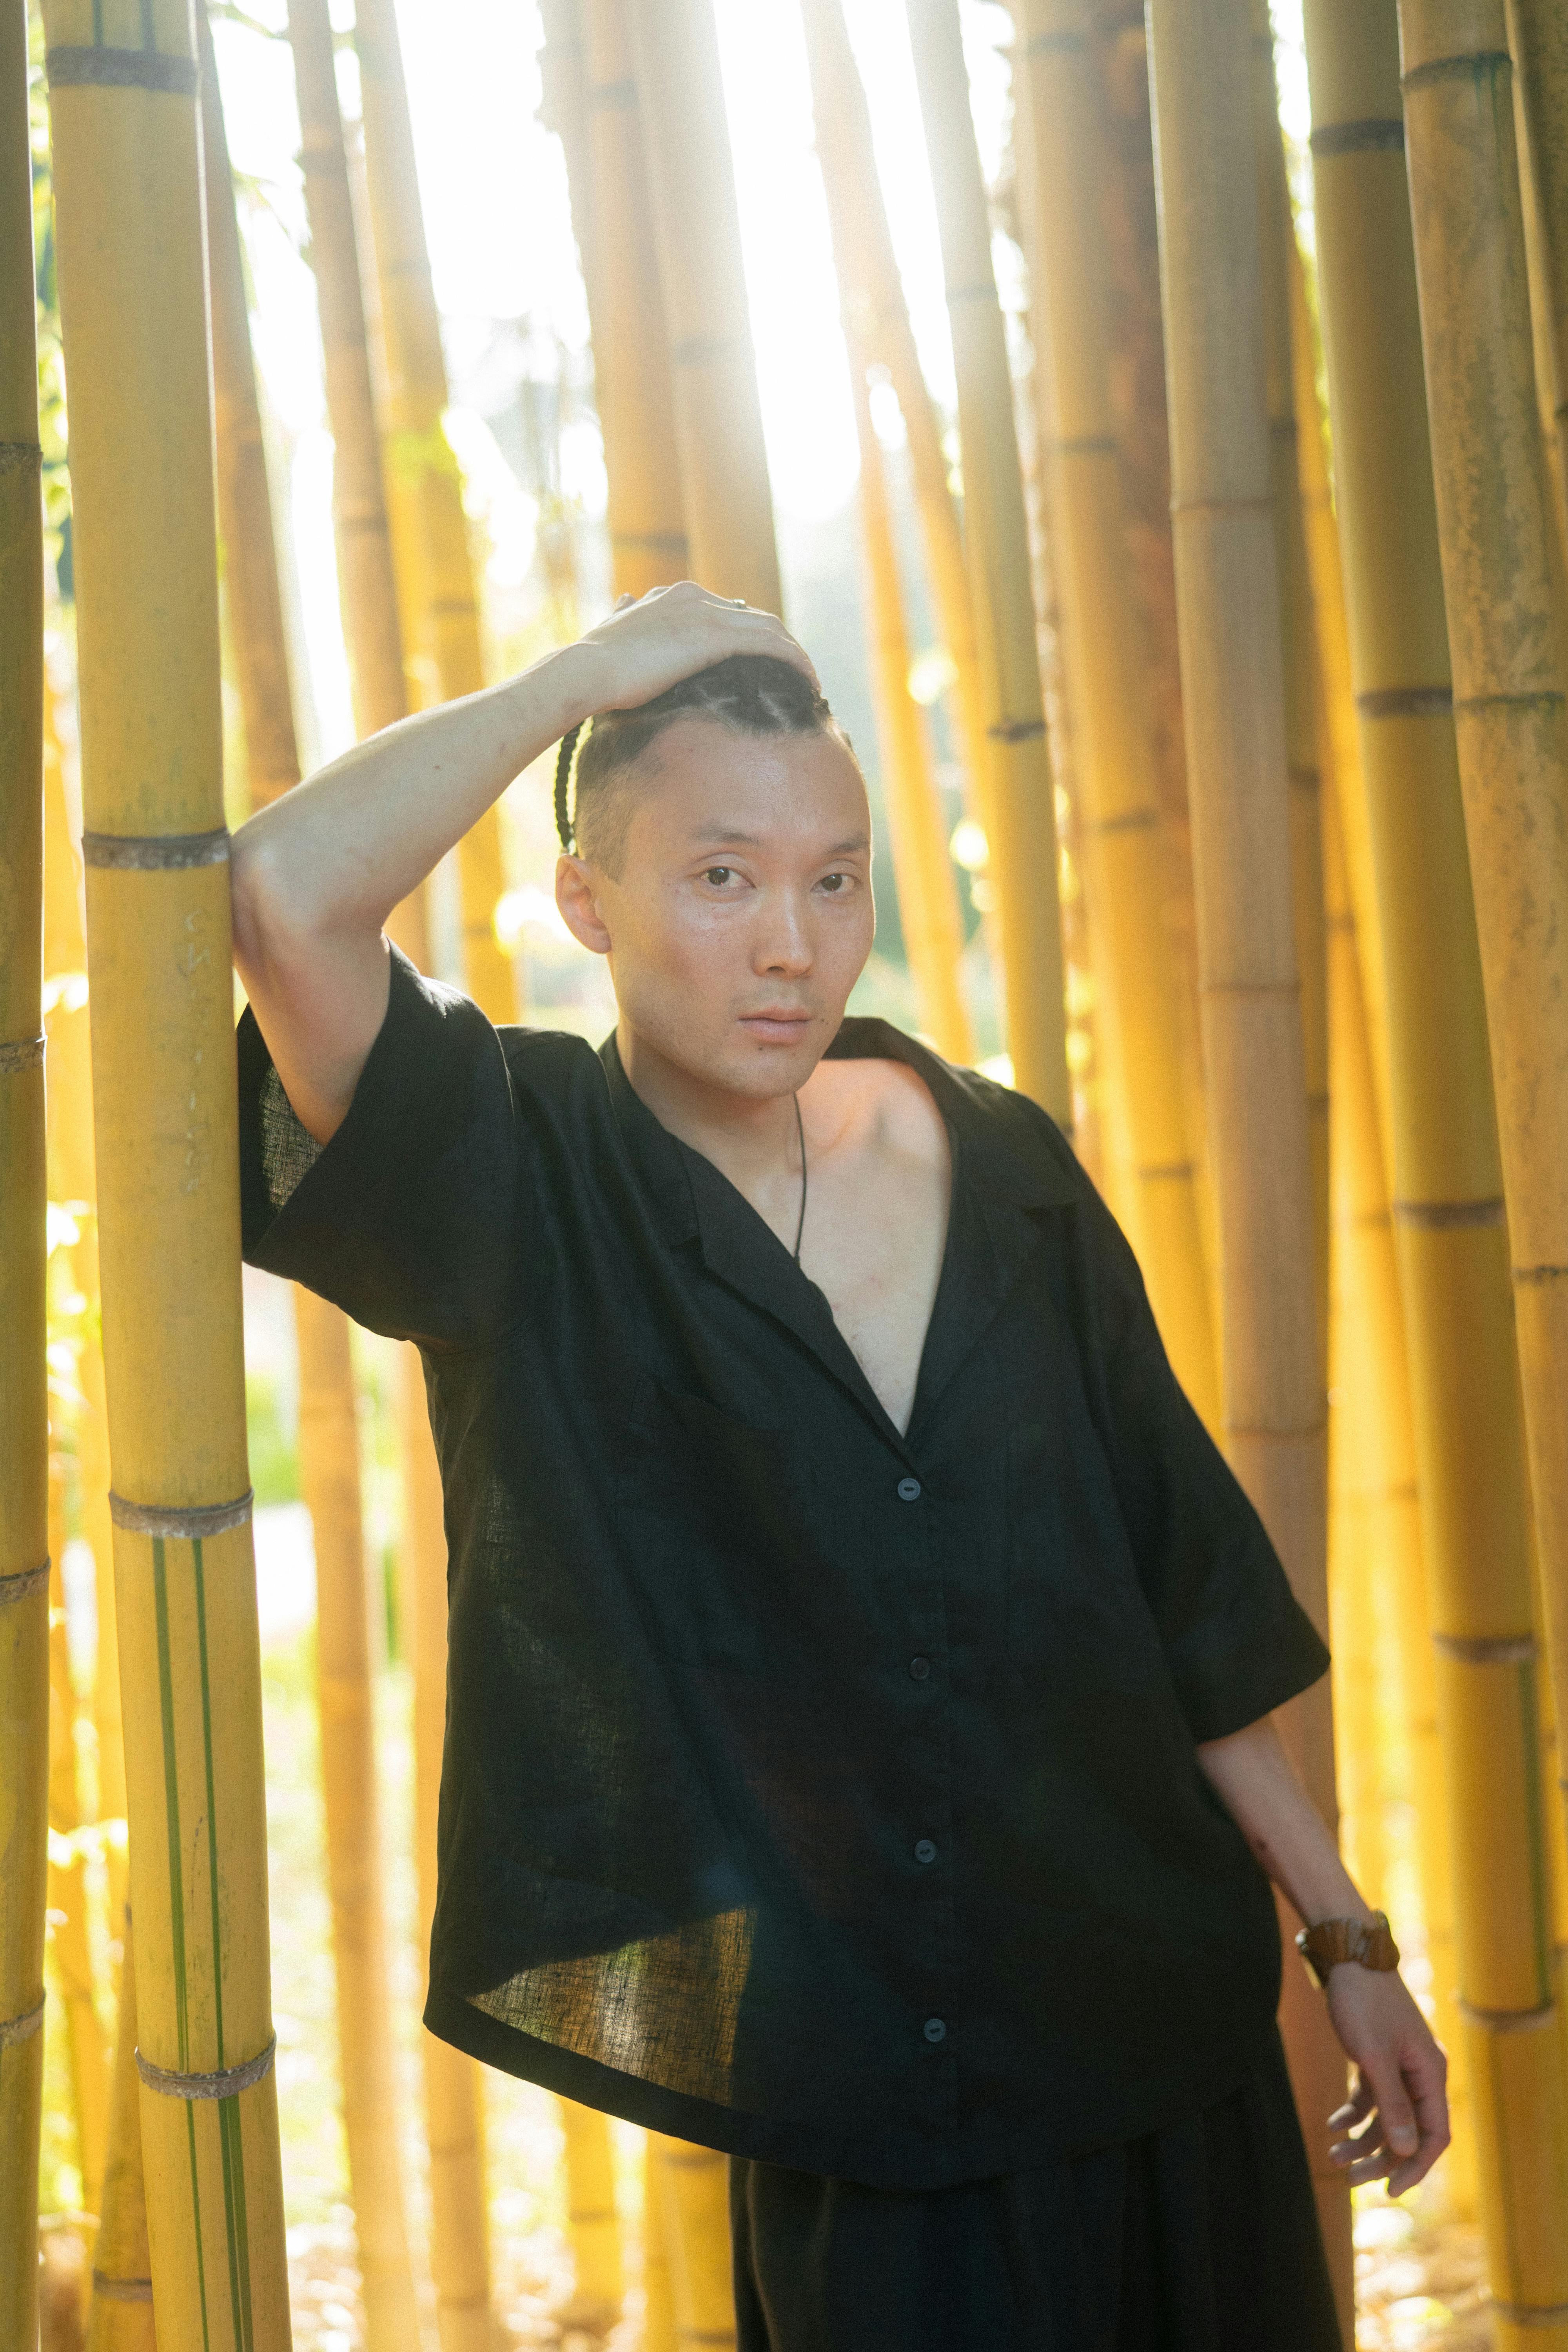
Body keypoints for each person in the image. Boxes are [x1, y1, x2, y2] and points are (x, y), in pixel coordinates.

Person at [230, 583, 1447, 2351]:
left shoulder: (1002, 1155)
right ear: (588, 896)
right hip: (864, 2114)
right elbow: (282, 893)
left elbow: (1179, 1587)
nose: (792, 944)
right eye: (719, 876)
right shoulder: (525, 1174)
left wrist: (1345, 1944)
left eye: (833, 876)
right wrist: (588, 678)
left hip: (1164, 2032)